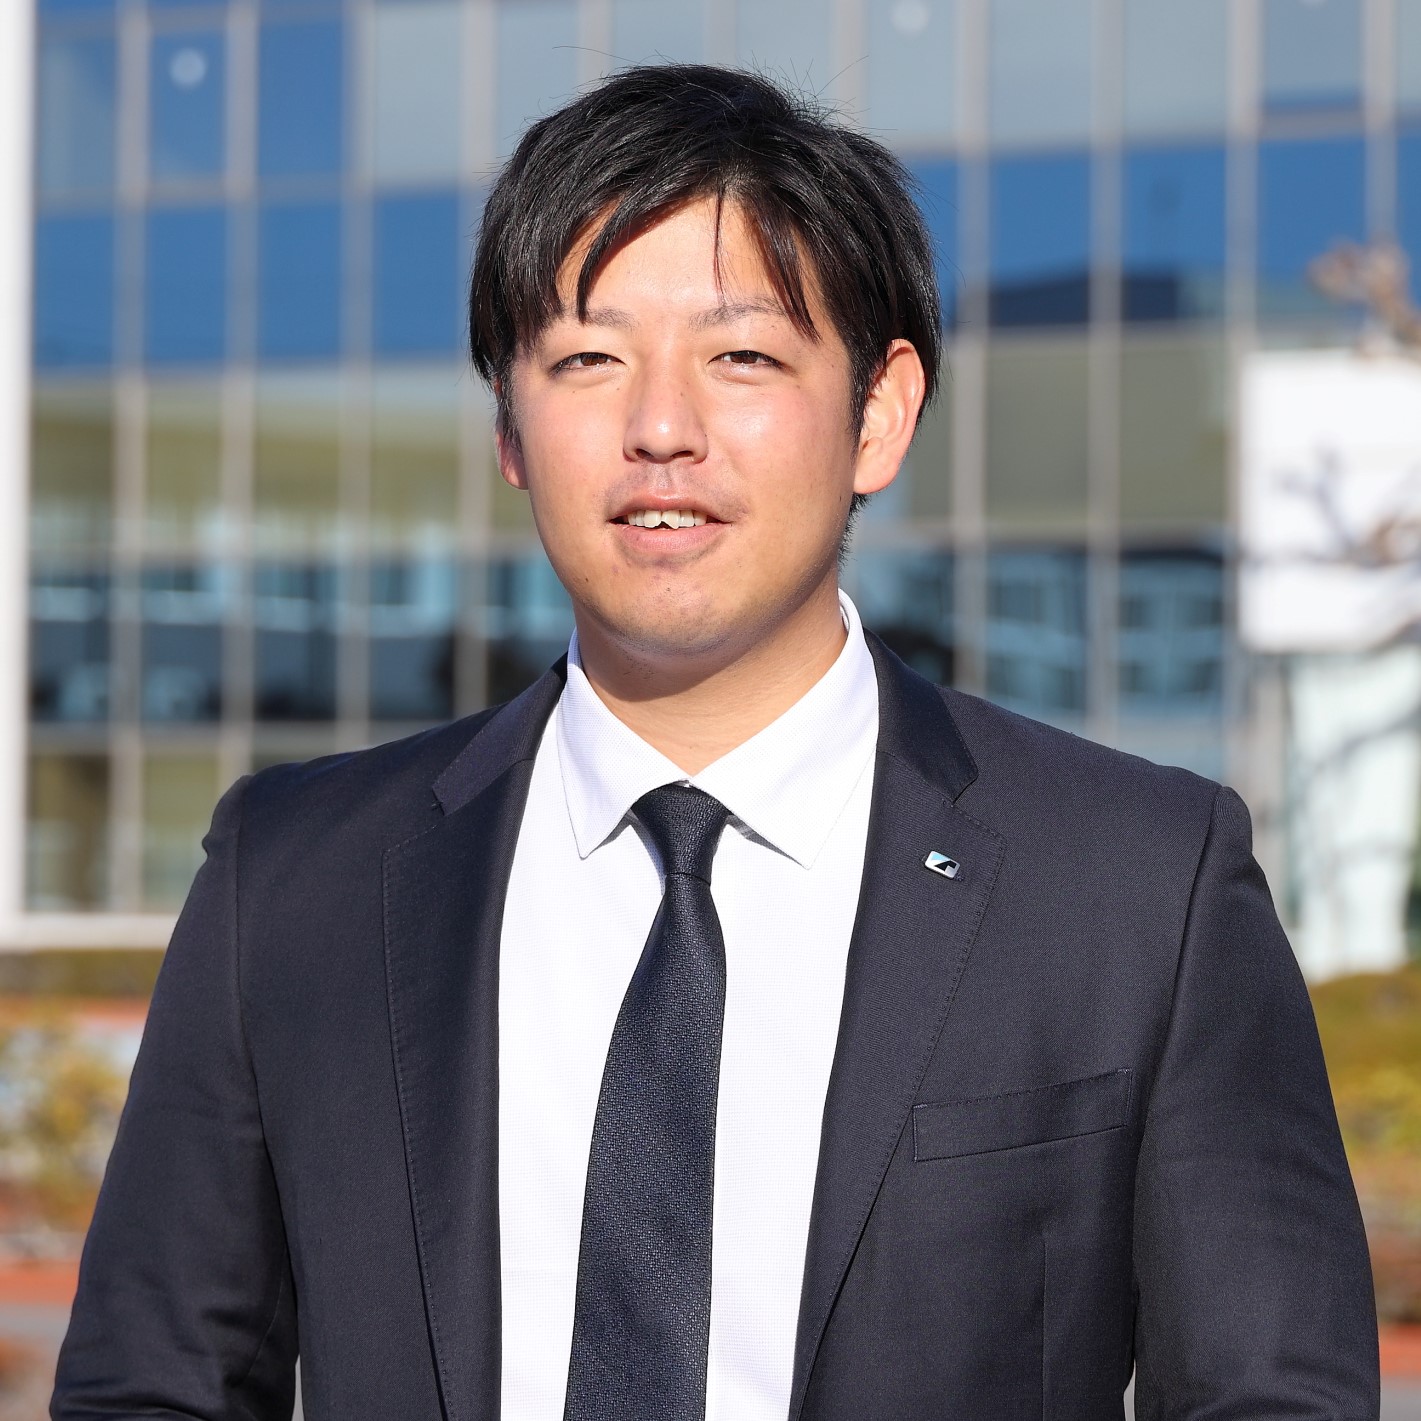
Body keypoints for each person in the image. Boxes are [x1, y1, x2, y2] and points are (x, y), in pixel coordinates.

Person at [53, 64, 1377, 1421]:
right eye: (588, 359)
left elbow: (1272, 1398)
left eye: (741, 356)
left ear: (879, 413)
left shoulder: (1133, 884)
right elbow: (153, 1388)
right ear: (509, 425)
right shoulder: (296, 880)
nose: (660, 430)